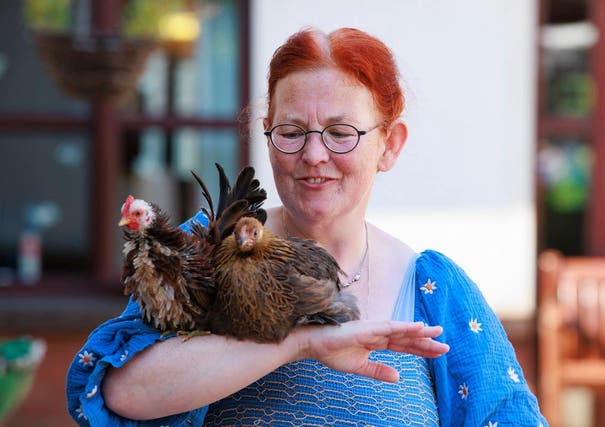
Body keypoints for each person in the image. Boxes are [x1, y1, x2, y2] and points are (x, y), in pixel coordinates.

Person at [67, 27, 548, 426]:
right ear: (268, 136)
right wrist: (297, 342)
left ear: (390, 145)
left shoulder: (433, 291)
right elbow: (122, 393)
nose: (314, 155)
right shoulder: (205, 251)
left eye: (341, 133)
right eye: (292, 132)